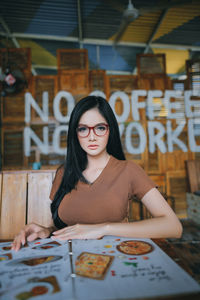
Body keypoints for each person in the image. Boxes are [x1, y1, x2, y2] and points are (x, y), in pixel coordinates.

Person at [12, 96, 182, 251]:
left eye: (100, 128)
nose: (92, 137)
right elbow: (64, 229)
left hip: (117, 261)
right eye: (83, 129)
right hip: (69, 264)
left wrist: (103, 228)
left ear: (110, 130)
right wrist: (46, 231)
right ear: (75, 133)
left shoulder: (128, 170)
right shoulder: (64, 173)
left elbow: (173, 227)